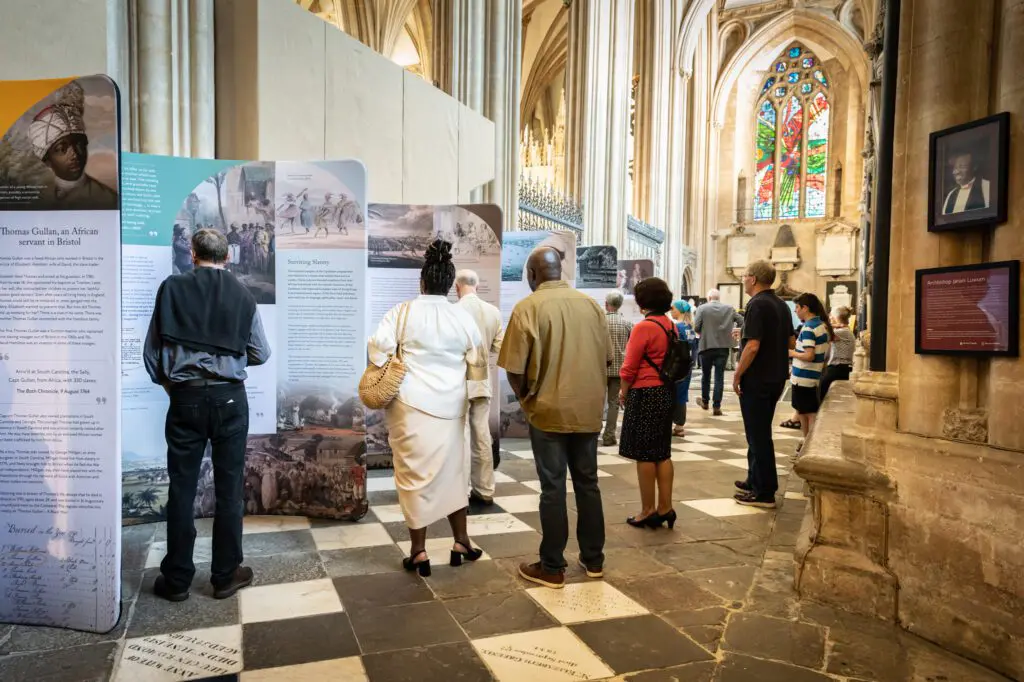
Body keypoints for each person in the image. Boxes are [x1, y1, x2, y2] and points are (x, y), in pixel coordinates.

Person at [144, 228, 271, 602]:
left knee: (182, 487)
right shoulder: (243, 293)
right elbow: (260, 353)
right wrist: (228, 359)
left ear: (194, 254)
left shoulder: (171, 288)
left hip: (185, 399)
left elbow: (153, 356)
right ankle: (225, 575)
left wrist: (175, 386)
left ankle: (178, 579)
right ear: (227, 257)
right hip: (230, 400)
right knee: (230, 489)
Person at [368, 240, 487, 577]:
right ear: (450, 284)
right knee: (454, 471)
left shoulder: (401, 312)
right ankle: (461, 540)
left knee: (412, 475)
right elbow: (476, 359)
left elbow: (378, 351)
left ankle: (419, 552)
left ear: (422, 281)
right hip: (451, 407)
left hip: (409, 405)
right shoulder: (462, 317)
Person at [499, 247, 609, 589]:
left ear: (532, 274)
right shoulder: (591, 305)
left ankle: (552, 566)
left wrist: (526, 397)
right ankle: (594, 560)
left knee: (553, 487)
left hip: (547, 411)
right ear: (560, 271)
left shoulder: (528, 307)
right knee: (588, 483)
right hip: (588, 409)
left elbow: (514, 369)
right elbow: (606, 358)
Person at [732, 260, 794, 509]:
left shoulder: (756, 304)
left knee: (758, 435)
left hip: (758, 378)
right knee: (757, 431)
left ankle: (765, 492)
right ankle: (754, 479)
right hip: (776, 376)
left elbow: (754, 345)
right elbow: (790, 341)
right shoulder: (781, 304)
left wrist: (737, 374)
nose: (743, 279)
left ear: (754, 279)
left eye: (744, 275)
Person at [618, 278, 678, 529]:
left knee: (644, 454)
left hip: (645, 392)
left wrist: (623, 392)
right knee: (662, 452)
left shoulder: (644, 327)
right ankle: (666, 507)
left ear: (643, 301)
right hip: (665, 392)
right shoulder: (670, 325)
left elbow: (629, 367)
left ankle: (647, 510)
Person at [455, 269, 505, 506]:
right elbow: (499, 347)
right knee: (482, 434)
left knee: (462, 436)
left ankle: (461, 492)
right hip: (482, 380)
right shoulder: (493, 312)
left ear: (457, 287)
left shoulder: (453, 311)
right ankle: (485, 489)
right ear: (477, 285)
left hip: (458, 382)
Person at [27, 81, 118, 210]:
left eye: (79, 144)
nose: (74, 154)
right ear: (46, 159)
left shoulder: (109, 201)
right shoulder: (33, 196)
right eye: (61, 149)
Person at [789, 293, 834, 443]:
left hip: (803, 377)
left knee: (807, 413)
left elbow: (809, 355)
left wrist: (790, 352)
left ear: (805, 308)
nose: (795, 311)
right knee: (807, 411)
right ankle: (809, 443)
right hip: (812, 375)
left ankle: (808, 444)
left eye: (797, 307)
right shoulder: (821, 325)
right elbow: (825, 355)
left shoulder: (808, 328)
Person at [694, 288, 743, 416]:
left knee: (706, 375)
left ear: (709, 298)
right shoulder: (729, 308)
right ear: (718, 298)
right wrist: (735, 331)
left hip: (706, 346)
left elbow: (696, 327)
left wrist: (704, 332)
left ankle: (705, 401)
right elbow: (742, 321)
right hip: (723, 346)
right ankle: (717, 406)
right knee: (719, 377)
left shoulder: (702, 308)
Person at [602, 291, 633, 447]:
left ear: (607, 304)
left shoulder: (599, 321)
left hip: (600, 368)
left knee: (597, 402)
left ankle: (594, 432)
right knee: (614, 403)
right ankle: (609, 435)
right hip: (618, 368)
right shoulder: (626, 323)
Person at [669, 300, 697, 437]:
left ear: (679, 310)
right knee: (682, 394)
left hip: (676, 366)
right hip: (687, 366)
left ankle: (674, 423)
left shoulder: (676, 327)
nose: (671, 311)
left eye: (673, 309)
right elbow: (693, 347)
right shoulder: (689, 327)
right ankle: (679, 425)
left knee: (672, 394)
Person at [820, 307, 855, 401]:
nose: (830, 317)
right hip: (839, 367)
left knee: (821, 392)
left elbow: (825, 330)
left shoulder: (842, 332)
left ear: (837, 316)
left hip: (839, 368)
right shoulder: (844, 330)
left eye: (831, 315)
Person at [942, 150, 991, 215]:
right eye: (955, 168)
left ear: (974, 167)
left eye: (962, 167)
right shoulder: (951, 195)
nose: (956, 172)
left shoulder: (988, 187)